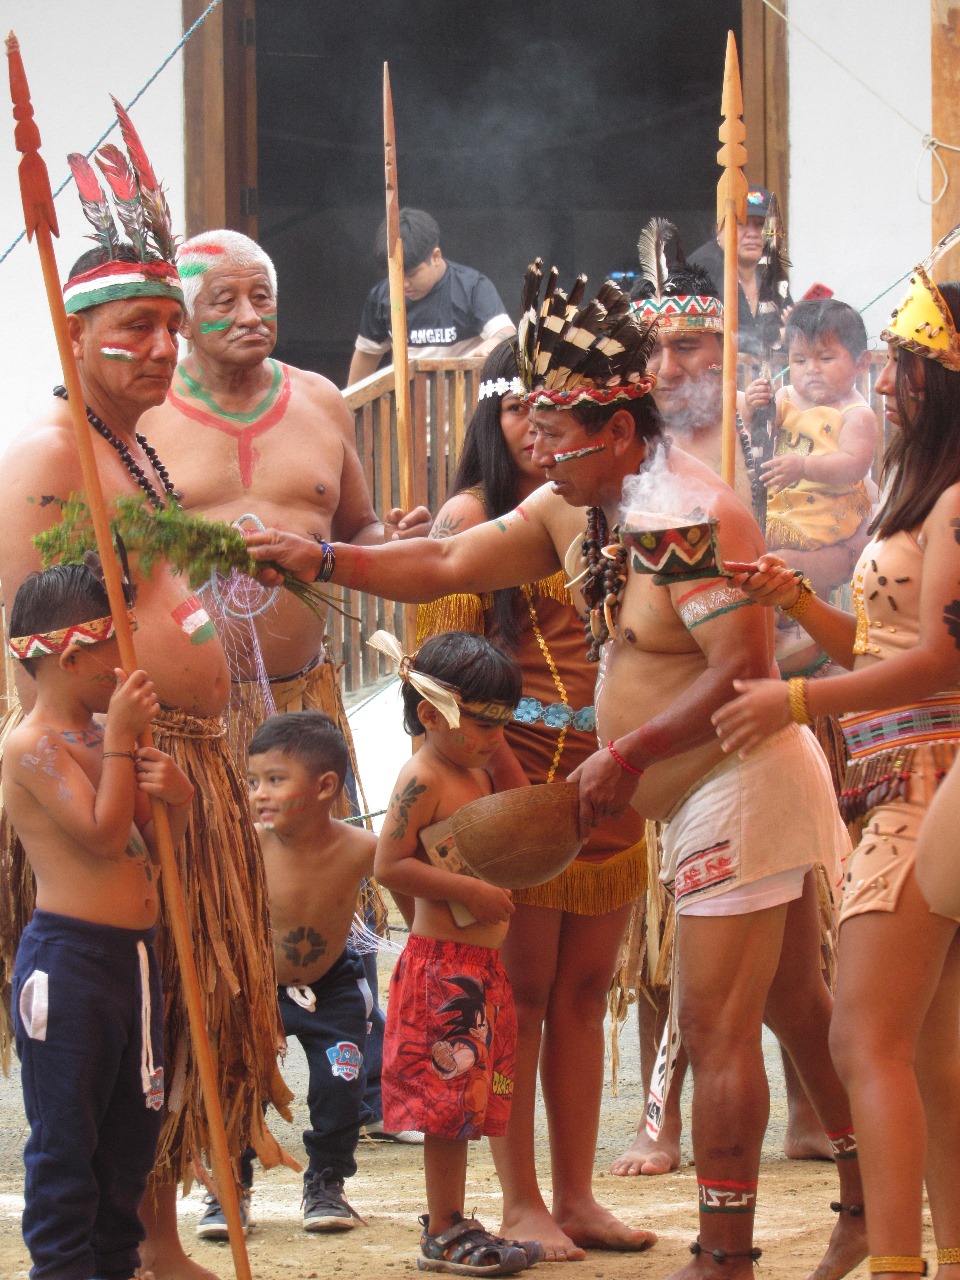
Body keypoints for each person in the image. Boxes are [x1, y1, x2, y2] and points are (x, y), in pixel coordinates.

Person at [247, 262, 866, 1277]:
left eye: (557, 428)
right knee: (795, 1003)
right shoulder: (574, 505)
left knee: (717, 1026)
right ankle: (864, 1196)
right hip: (699, 786)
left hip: (741, 781)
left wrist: (625, 752)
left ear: (620, 428)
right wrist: (321, 560)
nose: (536, 446)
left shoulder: (686, 515)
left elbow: (743, 670)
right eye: (531, 423)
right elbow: (447, 564)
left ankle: (725, 1254)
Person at [0, 108, 292, 1280]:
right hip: (111, 772)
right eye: (137, 327)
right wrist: (109, 754)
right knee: (125, 1028)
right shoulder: (52, 457)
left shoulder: (131, 449)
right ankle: (134, 1247)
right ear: (76, 335)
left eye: (173, 324)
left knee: (171, 1017)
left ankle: (152, 1239)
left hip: (171, 767)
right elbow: (36, 641)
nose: (164, 347)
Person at [142, 227, 433, 1155]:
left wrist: (392, 543)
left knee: (330, 888)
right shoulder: (143, 414)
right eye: (223, 300)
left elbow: (359, 530)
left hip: (303, 703)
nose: (248, 315)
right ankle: (214, 1104)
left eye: (261, 296)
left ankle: (357, 1090)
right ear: (182, 318)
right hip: (192, 717)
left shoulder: (319, 401)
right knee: (209, 904)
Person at [712, 236, 960, 1280]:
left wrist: (798, 694)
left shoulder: (956, 499)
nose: (886, 384)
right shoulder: (923, 491)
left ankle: (897, 1259)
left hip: (925, 791)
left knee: (867, 1044)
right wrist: (800, 606)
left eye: (905, 368)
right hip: (901, 787)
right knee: (929, 1051)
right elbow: (887, 646)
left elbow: (944, 659)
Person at [417, 339, 649, 1259]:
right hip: (513, 788)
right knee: (520, 995)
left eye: (550, 412)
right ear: (492, 413)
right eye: (518, 408)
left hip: (610, 780)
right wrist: (516, 796)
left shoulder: (606, 512)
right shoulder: (471, 518)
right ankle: (522, 1202)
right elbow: (441, 690)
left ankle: (578, 1196)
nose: (534, 429)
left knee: (585, 992)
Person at [612, 243, 837, 1179]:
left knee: (785, 975)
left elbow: (843, 574)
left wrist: (788, 621)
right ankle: (659, 1121)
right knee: (668, 950)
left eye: (691, 345)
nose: (670, 367)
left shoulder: (785, 439)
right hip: (677, 737)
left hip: (776, 715)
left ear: (731, 349)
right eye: (654, 349)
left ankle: (822, 1131)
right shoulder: (644, 461)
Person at [5, 562, 193, 1280]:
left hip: (132, 961)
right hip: (71, 965)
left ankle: (116, 1266)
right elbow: (104, 837)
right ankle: (61, 1270)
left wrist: (177, 795)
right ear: (71, 655)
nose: (127, 662)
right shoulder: (32, 746)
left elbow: (148, 838)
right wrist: (120, 742)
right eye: (115, 645)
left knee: (128, 1140)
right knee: (68, 1140)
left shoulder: (105, 734)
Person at [373, 629, 545, 1276]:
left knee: (468, 1101)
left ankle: (454, 1219)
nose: (497, 736)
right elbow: (389, 865)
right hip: (442, 968)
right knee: (447, 1107)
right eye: (484, 723)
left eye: (505, 722)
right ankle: (442, 1227)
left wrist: (494, 750)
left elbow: (521, 810)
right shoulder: (422, 776)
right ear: (429, 714)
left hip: (479, 968)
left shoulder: (474, 767)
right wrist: (471, 890)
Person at [199, 711, 381, 1240]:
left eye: (275, 780)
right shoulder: (245, 844)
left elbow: (411, 873)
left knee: (342, 1085)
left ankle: (326, 1181)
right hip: (256, 988)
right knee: (237, 1083)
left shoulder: (361, 847)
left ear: (325, 787)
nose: (259, 793)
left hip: (334, 987)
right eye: (253, 780)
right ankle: (230, 1185)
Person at [744, 299, 877, 598]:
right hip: (781, 500)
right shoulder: (786, 395)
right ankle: (775, 613)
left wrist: (804, 467)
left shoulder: (856, 413)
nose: (812, 370)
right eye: (800, 360)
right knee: (757, 547)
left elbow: (854, 464)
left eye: (825, 358)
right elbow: (760, 432)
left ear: (861, 362)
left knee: (792, 568)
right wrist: (754, 406)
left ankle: (808, 610)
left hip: (826, 506)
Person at [346, 209, 513, 386]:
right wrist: (348, 401)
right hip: (408, 403)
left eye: (411, 274)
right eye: (395, 275)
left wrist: (494, 343)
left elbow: (508, 334)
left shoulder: (472, 287)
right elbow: (366, 355)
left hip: (465, 400)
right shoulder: (381, 298)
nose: (403, 284)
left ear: (435, 257)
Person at [689, 187, 793, 359]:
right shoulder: (700, 270)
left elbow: (789, 330)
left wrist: (797, 324)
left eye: (761, 224)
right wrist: (778, 337)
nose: (752, 234)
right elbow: (712, 338)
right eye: (741, 223)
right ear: (719, 229)